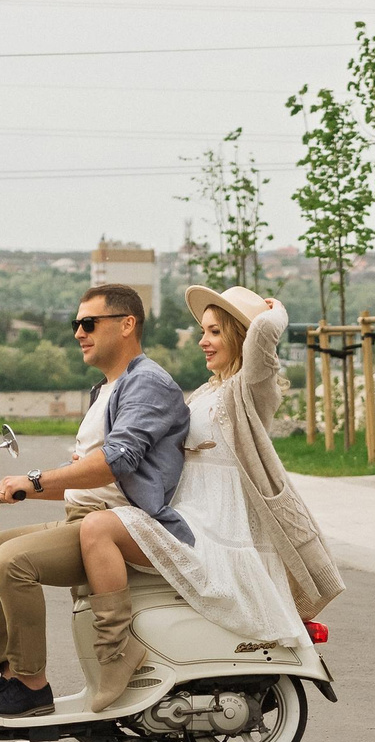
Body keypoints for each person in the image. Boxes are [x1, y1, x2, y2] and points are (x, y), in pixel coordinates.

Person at [59, 285, 345, 703]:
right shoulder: (205, 392)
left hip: (218, 526)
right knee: (96, 529)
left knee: (101, 530)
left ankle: (116, 655)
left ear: (239, 337)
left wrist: (275, 314)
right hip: (186, 514)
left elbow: (264, 340)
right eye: (203, 331)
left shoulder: (251, 391)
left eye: (214, 332)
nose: (202, 341)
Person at [0, 284, 188, 717]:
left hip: (120, 523)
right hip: (83, 515)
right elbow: (84, 478)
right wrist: (22, 488)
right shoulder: (105, 390)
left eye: (88, 323)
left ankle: (34, 686)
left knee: (13, 562)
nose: (78, 333)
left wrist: (33, 480)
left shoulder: (147, 382)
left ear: (127, 325)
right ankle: (12, 673)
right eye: (76, 324)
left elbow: (116, 462)